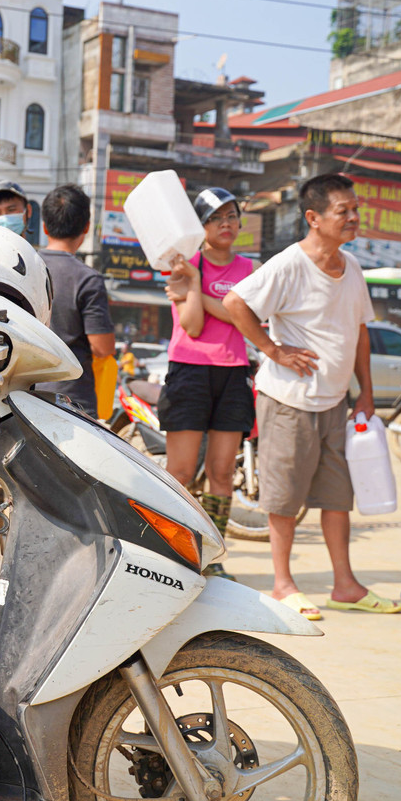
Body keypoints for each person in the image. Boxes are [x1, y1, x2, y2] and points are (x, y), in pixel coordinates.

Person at [224, 173, 401, 619]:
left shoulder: (352, 265)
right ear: (313, 218)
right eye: (344, 211)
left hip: (335, 403)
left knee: (337, 498)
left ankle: (345, 584)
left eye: (355, 209)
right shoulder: (289, 264)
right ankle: (284, 585)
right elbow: (235, 303)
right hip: (288, 401)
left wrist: (365, 392)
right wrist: (272, 350)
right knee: (284, 500)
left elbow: (359, 331)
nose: (354, 217)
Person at [162, 187, 258, 581]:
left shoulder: (249, 270)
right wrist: (197, 280)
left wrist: (197, 290)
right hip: (188, 368)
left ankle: (213, 556)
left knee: (221, 473)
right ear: (200, 226)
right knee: (180, 472)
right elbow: (193, 325)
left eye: (232, 216)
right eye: (217, 217)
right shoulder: (183, 264)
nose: (227, 224)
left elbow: (245, 320)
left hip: (233, 372)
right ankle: (172, 550)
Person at [34, 184, 115, 417]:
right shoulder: (87, 279)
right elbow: (102, 348)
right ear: (87, 227)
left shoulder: (21, 267)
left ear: (44, 227)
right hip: (72, 400)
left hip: (22, 394)